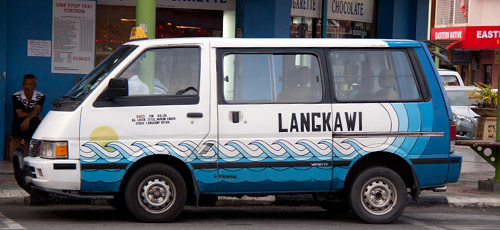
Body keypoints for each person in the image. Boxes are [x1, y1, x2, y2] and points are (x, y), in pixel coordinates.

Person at [12, 74, 45, 151]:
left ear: (35, 86)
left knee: (34, 122)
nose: (27, 87)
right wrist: (35, 116)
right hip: (19, 125)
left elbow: (36, 110)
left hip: (32, 124)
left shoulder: (40, 96)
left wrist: (28, 119)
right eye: (26, 84)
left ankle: (22, 144)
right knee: (33, 120)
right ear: (23, 84)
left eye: (30, 84)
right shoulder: (16, 96)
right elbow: (19, 114)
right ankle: (32, 148)